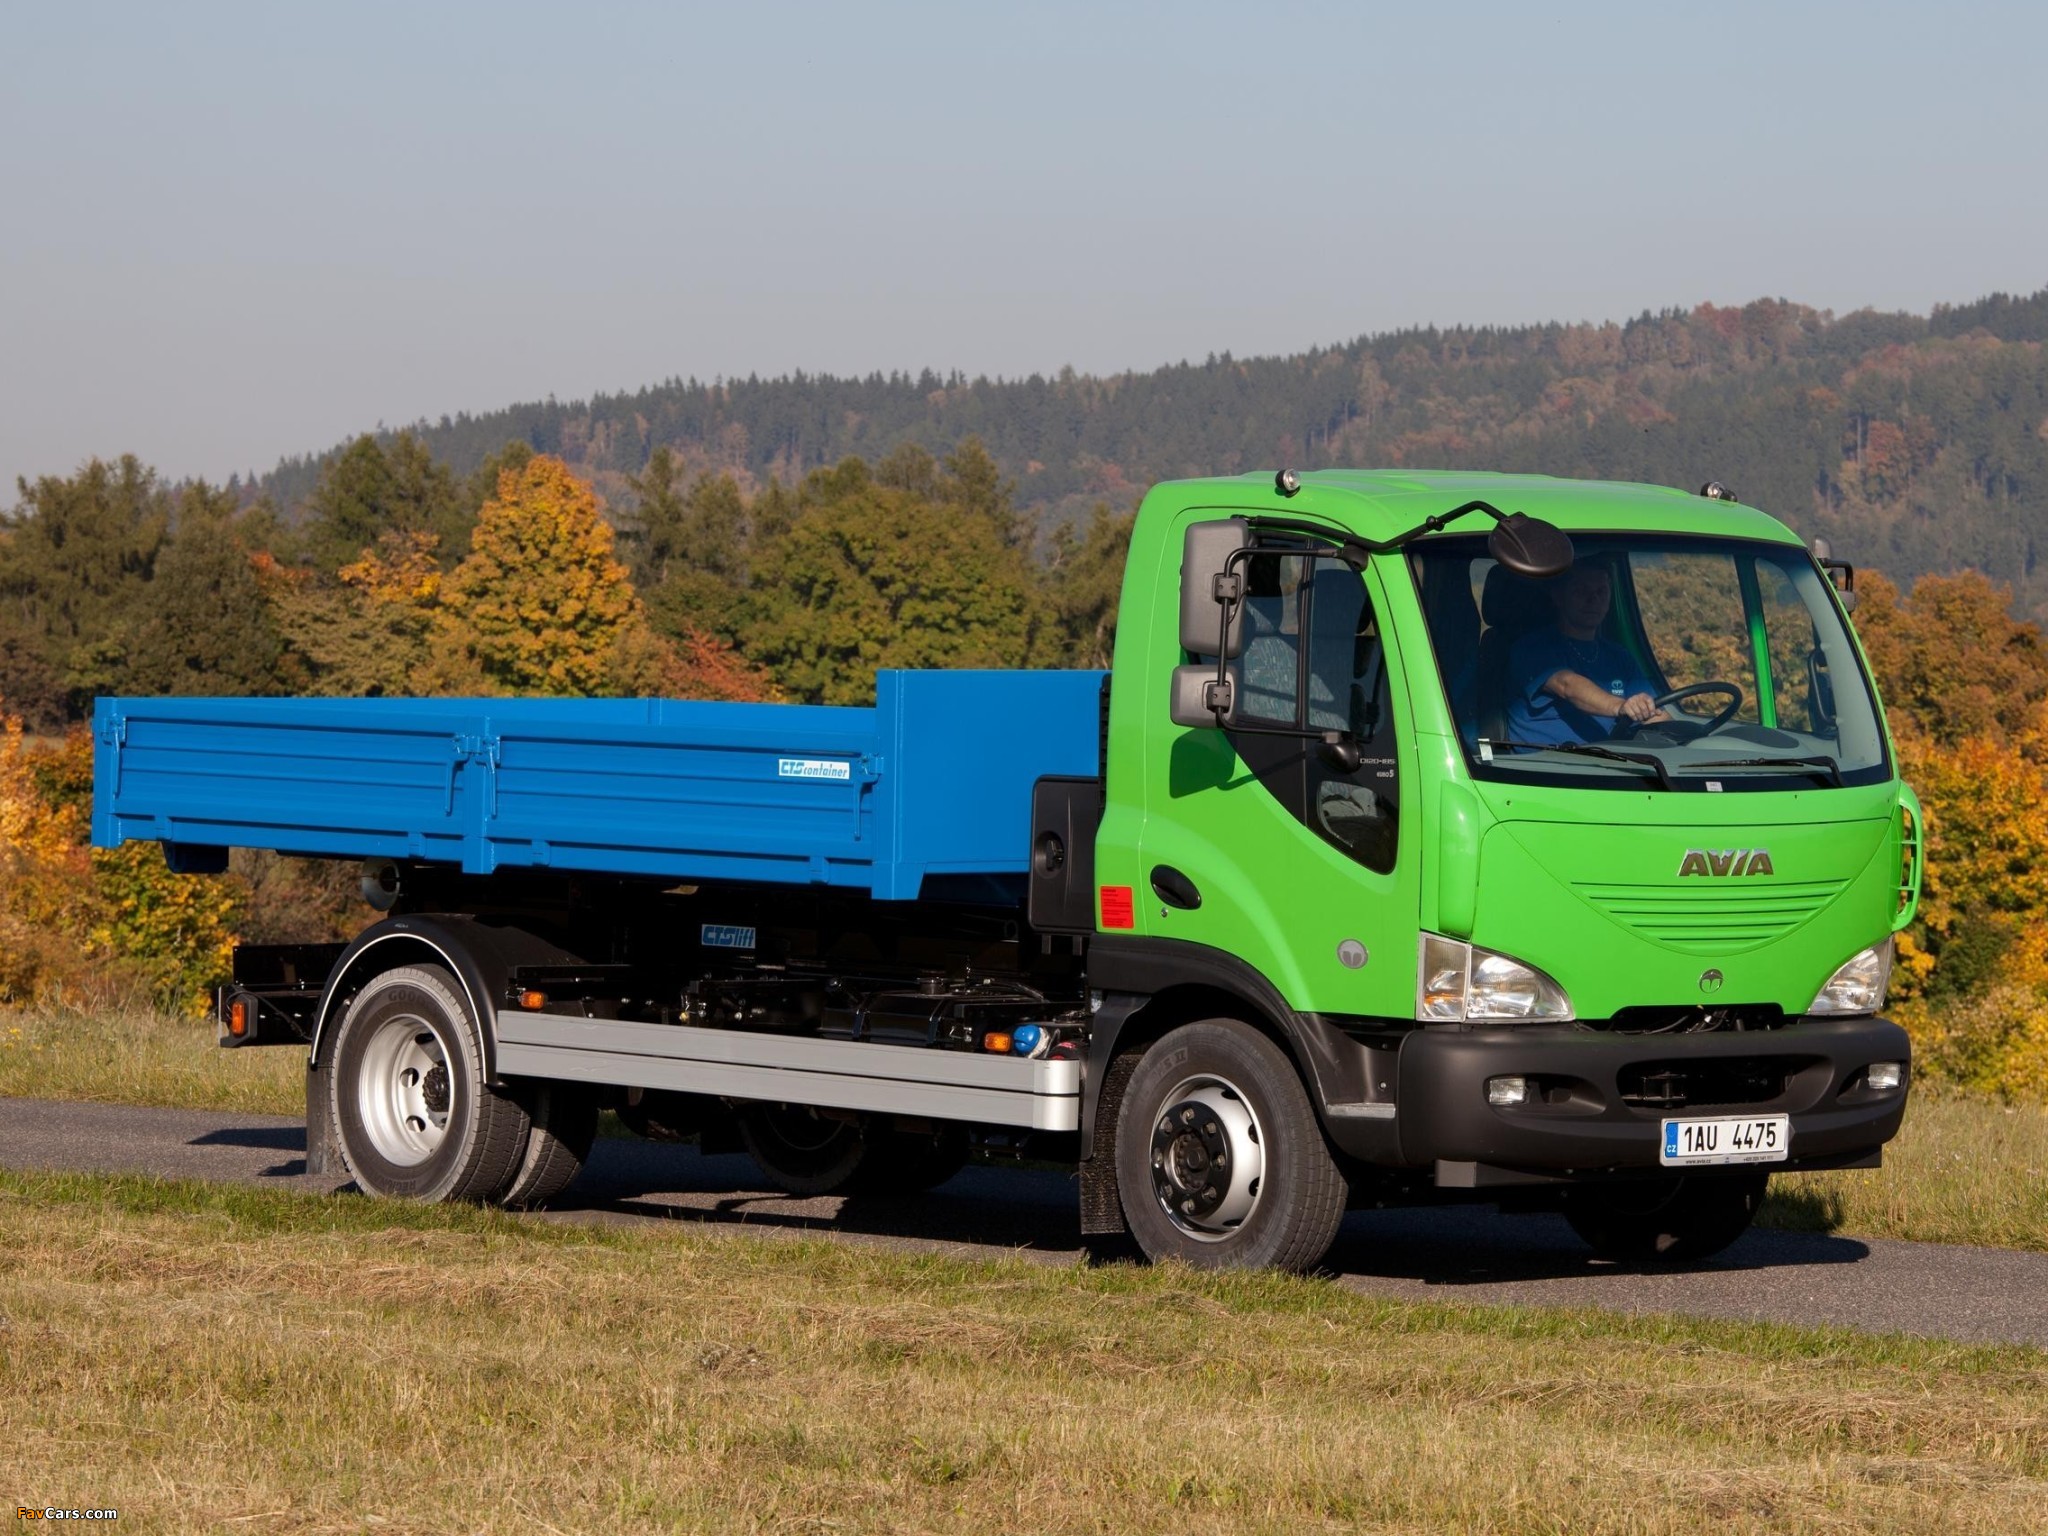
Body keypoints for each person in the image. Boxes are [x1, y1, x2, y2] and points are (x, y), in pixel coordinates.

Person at [1506, 563, 1667, 745]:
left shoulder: (1619, 656)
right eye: (1581, 591)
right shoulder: (1532, 647)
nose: (1593, 599)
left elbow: (1652, 710)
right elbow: (1567, 684)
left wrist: (1673, 729)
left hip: (1614, 761)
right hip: (1544, 766)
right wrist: (1620, 706)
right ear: (1558, 596)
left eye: (1601, 591)